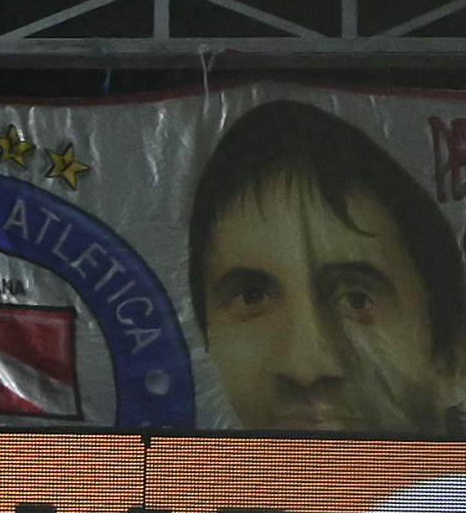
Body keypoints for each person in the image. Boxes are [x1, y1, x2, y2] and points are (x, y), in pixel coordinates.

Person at [188, 98, 466, 434]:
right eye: (252, 297)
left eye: (356, 300)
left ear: (450, 359)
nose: (305, 368)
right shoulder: (180, 468)